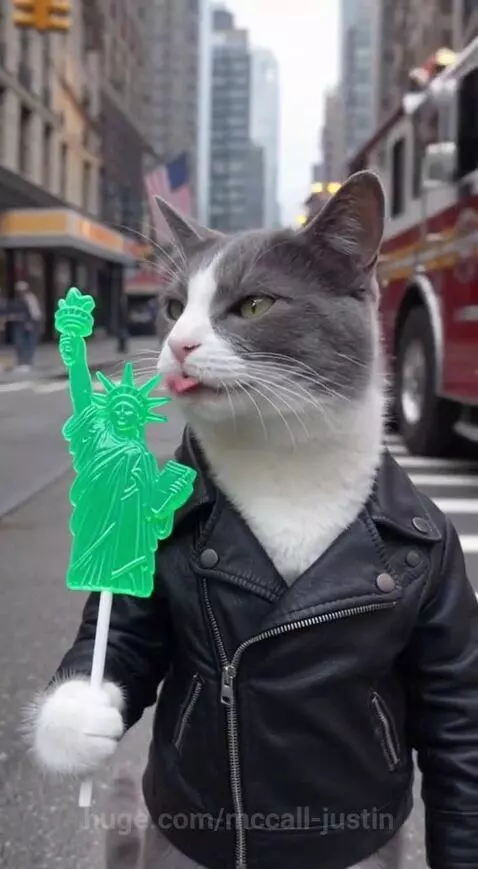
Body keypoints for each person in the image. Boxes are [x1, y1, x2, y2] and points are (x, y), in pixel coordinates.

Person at [27, 175, 478, 869]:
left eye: (249, 304)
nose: (183, 337)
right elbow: (121, 633)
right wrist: (83, 695)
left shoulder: (416, 539)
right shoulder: (162, 505)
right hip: (192, 836)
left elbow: (460, 726)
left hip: (352, 843)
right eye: (177, 306)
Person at [11, 280, 43, 371]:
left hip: (30, 323)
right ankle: (22, 362)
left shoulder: (29, 298)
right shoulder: (20, 299)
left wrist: (30, 322)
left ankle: (27, 362)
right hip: (22, 323)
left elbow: (34, 312)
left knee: (28, 343)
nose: (19, 292)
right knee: (20, 343)